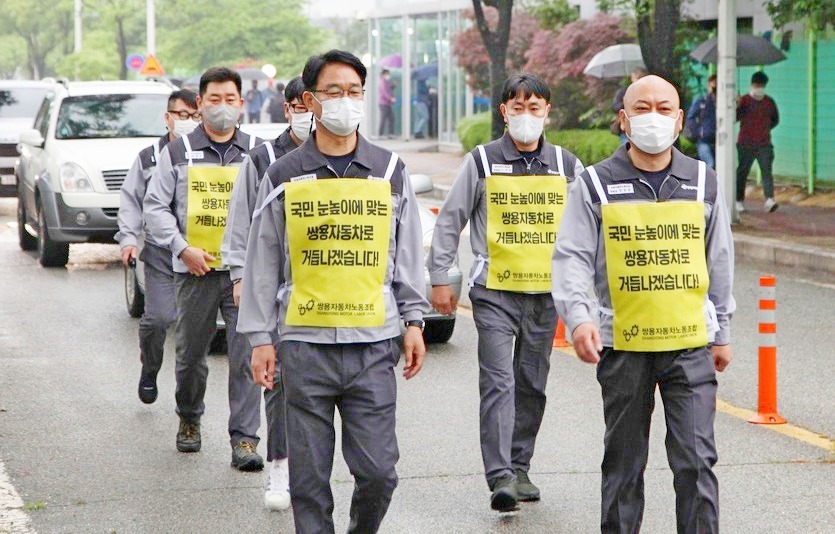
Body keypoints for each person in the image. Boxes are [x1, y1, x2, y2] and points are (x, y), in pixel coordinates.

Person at [238, 50, 429, 534]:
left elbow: (406, 253)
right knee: (308, 481)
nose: (346, 101)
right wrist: (260, 337)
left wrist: (413, 321)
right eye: (334, 92)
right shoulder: (282, 174)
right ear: (310, 100)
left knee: (379, 473)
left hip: (372, 345)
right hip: (304, 345)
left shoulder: (388, 170)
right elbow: (262, 259)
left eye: (354, 92)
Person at [552, 75, 735, 533]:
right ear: (623, 119)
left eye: (663, 107)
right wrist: (579, 318)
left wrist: (723, 331)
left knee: (696, 463)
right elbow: (572, 257)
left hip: (689, 346)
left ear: (678, 120)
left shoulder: (701, 181)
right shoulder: (594, 184)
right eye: (641, 107)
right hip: (622, 347)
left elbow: (719, 258)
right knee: (623, 466)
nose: (652, 116)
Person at [429, 73, 585, 513]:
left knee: (531, 384)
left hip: (545, 296)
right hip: (494, 293)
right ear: (504, 111)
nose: (526, 115)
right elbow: (450, 219)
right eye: (517, 107)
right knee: (498, 381)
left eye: (535, 108)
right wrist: (440, 275)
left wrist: (586, 294)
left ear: (547, 112)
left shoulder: (566, 166)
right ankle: (500, 476)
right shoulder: (481, 161)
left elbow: (587, 231)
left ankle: (520, 467)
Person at [143, 67, 265, 471]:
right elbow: (155, 208)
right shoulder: (177, 153)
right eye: (214, 99)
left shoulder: (258, 154)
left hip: (242, 275)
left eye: (231, 100)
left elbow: (270, 212)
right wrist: (182, 248)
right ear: (199, 104)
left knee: (245, 354)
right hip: (193, 271)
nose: (222, 108)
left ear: (242, 104)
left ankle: (245, 438)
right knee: (192, 354)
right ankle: (190, 418)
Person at [221, 76, 311, 511]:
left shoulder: (356, 158)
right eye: (299, 104)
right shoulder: (263, 160)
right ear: (288, 106)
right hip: (279, 292)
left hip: (333, 296)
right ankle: (280, 465)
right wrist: (240, 277)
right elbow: (242, 226)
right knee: (278, 383)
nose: (308, 113)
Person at [116, 89, 199, 405]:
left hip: (201, 253)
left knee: (196, 336)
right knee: (159, 319)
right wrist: (128, 239)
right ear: (168, 118)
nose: (188, 122)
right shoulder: (149, 157)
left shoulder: (208, 154)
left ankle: (188, 405)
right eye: (182, 115)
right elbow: (132, 199)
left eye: (194, 116)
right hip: (163, 253)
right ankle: (149, 370)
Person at [736, 71, 780, 213]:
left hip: (764, 144)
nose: (759, 87)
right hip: (745, 143)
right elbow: (735, 117)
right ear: (752, 85)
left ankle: (769, 199)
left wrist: (765, 129)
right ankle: (738, 200)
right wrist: (736, 105)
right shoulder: (743, 101)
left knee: (767, 171)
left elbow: (775, 120)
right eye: (757, 85)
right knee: (742, 172)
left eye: (762, 85)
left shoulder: (769, 102)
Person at [685, 74, 717, 168]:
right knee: (709, 164)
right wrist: (699, 132)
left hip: (720, 140)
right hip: (704, 140)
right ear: (709, 86)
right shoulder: (702, 101)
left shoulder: (723, 102)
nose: (714, 88)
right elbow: (690, 118)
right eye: (713, 85)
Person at [611, 67, 648, 143]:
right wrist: (626, 102)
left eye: (641, 77)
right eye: (637, 77)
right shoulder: (624, 92)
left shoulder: (649, 93)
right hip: (627, 130)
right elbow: (614, 107)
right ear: (632, 78)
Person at [378, 69, 395, 138]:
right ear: (383, 74)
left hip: (387, 104)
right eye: (387, 74)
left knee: (391, 118)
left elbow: (388, 90)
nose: (388, 75)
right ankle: (380, 134)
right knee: (383, 119)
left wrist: (393, 86)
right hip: (383, 103)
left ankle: (391, 134)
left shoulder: (386, 82)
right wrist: (390, 99)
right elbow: (384, 92)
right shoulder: (382, 82)